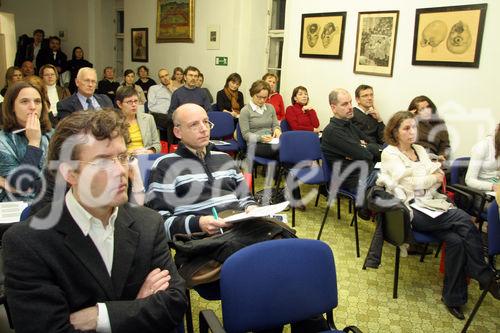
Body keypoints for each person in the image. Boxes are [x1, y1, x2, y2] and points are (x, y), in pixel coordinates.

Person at [2, 109, 187, 332]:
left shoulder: (148, 223)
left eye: (122, 157)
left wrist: (100, 317)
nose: (121, 170)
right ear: (70, 174)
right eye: (102, 161)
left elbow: (174, 304)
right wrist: (138, 308)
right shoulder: (28, 243)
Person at [376, 110, 500, 319]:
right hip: (410, 210)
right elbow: (410, 185)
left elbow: (439, 174)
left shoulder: (420, 150)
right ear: (395, 132)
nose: (412, 132)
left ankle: (453, 298)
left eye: (414, 127)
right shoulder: (390, 153)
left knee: (457, 240)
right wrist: (427, 177)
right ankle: (484, 274)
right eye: (406, 128)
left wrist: (426, 176)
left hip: (431, 204)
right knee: (462, 218)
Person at [146, 103, 257, 239]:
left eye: (205, 122)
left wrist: (251, 208)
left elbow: (245, 198)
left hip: (242, 231)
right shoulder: (165, 166)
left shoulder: (225, 158)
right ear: (178, 132)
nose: (204, 129)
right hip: (203, 242)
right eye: (194, 125)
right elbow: (159, 223)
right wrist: (198, 224)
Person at [0, 81, 53, 202]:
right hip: (18, 210)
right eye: (25, 101)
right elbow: (21, 183)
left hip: (52, 205)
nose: (33, 107)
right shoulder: (3, 141)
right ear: (12, 107)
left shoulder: (53, 134)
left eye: (37, 101)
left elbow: (64, 180)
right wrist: (34, 142)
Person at [321, 88, 380, 194]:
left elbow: (372, 143)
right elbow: (366, 155)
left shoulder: (349, 124)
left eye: (350, 102)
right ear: (334, 108)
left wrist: (362, 147)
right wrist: (362, 147)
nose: (350, 107)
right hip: (355, 181)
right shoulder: (333, 131)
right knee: (393, 178)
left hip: (366, 171)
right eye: (344, 104)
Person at [239, 80, 281, 159]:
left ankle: (285, 170)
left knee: (288, 148)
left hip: (271, 141)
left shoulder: (270, 108)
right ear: (252, 94)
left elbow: (275, 125)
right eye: (259, 97)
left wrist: (277, 130)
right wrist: (260, 138)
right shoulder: (245, 111)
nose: (262, 100)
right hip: (255, 144)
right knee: (283, 150)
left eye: (265, 97)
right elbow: (246, 134)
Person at [116, 86, 161, 154]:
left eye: (136, 101)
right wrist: (130, 152)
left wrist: (149, 151)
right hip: (124, 159)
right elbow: (110, 149)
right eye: (129, 102)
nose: (134, 105)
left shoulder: (148, 119)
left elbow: (157, 145)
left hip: (145, 157)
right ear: (119, 104)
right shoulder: (114, 122)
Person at [408, 95, 451, 162]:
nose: (427, 111)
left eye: (428, 107)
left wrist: (442, 156)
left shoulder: (439, 123)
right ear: (416, 113)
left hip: (433, 159)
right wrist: (407, 116)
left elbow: (445, 146)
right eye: (422, 109)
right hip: (414, 158)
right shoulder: (411, 123)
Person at [465, 123, 499, 192]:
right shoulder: (482, 147)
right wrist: (492, 186)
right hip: (484, 192)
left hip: (497, 183)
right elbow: (469, 180)